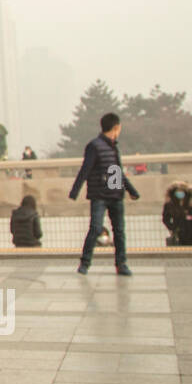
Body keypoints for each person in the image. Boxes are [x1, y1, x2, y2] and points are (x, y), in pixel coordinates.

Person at [68, 112, 139, 276]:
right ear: (116, 127)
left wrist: (131, 191)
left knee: (119, 231)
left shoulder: (114, 147)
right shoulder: (94, 146)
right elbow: (85, 169)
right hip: (99, 194)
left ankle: (121, 264)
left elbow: (118, 172)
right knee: (95, 228)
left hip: (115, 194)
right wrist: (75, 191)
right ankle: (85, 263)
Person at [162, 181, 192, 246]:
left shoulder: (191, 204)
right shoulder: (170, 205)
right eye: (178, 191)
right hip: (178, 233)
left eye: (182, 191)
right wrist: (172, 228)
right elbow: (165, 219)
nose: (180, 193)